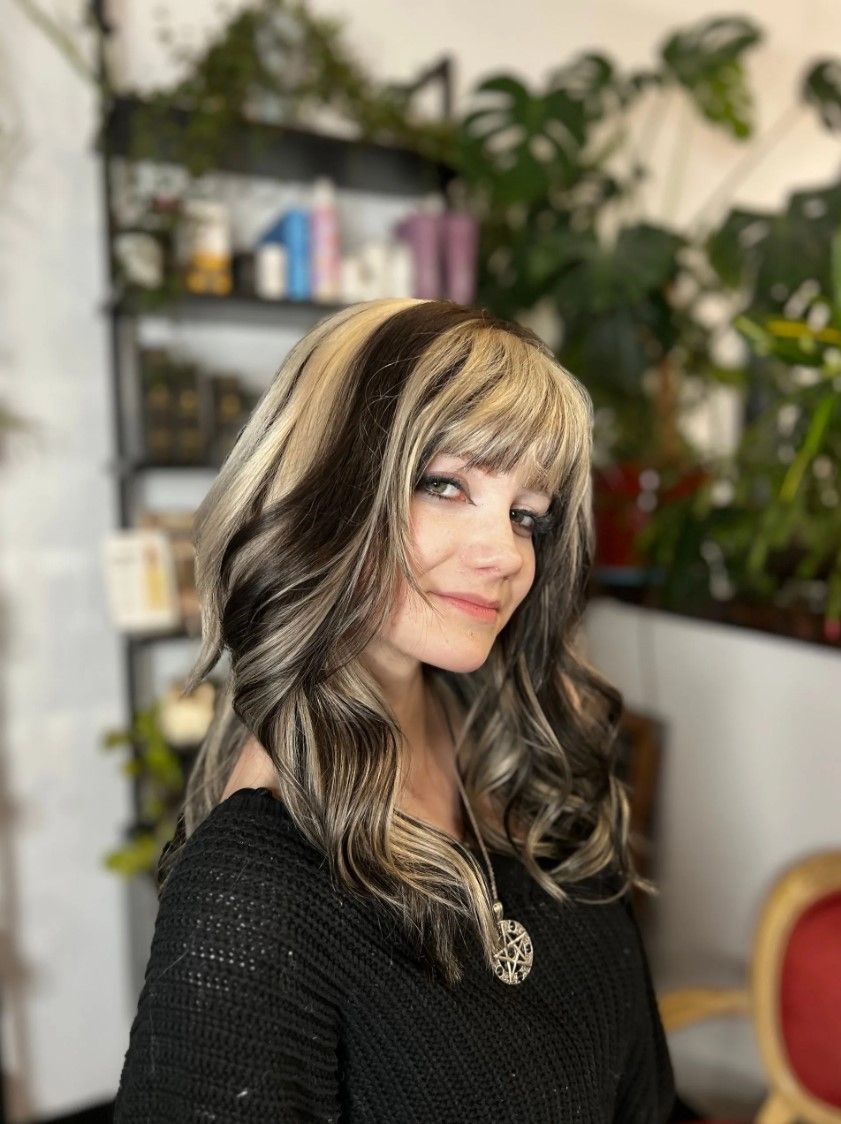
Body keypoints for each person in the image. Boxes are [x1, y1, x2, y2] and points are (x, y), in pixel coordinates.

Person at [113, 297, 675, 1122]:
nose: (504, 554)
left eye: (527, 515)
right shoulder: (255, 887)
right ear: (322, 489)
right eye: (445, 485)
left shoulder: (519, 757)